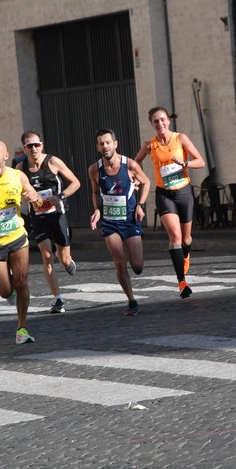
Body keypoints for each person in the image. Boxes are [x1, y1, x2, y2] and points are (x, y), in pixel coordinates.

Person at [0, 140, 43, 344]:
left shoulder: (17, 176)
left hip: (17, 237)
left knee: (22, 283)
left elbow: (35, 199)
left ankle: (21, 328)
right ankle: (8, 288)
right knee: (5, 291)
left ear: (5, 155)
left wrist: (33, 196)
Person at [135, 106, 205, 298]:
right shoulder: (149, 145)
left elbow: (200, 161)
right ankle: (182, 282)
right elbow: (136, 162)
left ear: (168, 120)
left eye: (162, 120)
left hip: (183, 192)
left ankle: (186, 252)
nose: (160, 124)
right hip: (164, 194)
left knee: (186, 239)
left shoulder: (180, 138)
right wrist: (137, 178)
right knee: (174, 237)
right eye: (156, 121)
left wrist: (186, 163)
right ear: (152, 124)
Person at [88, 128, 150, 316]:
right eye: (101, 143)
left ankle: (135, 264)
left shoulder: (129, 164)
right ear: (98, 147)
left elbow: (146, 182)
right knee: (119, 261)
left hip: (130, 220)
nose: (105, 146)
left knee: (137, 266)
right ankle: (131, 301)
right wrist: (97, 210)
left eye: (108, 142)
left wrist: (140, 205)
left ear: (115, 144)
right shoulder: (94, 169)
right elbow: (95, 192)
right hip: (110, 222)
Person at [17, 130, 80, 314]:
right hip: (37, 217)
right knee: (46, 256)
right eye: (30, 146)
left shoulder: (52, 162)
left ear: (41, 145)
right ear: (25, 149)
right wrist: (26, 198)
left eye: (36, 145)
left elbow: (76, 182)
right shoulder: (20, 168)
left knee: (63, 258)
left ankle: (68, 261)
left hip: (57, 214)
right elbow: (17, 191)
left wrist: (59, 196)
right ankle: (58, 299)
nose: (34, 149)